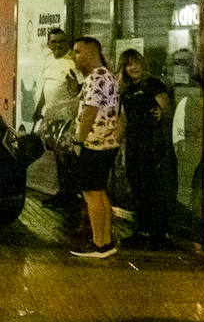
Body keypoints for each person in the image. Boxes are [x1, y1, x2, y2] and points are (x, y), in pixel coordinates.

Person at [116, 49, 176, 248]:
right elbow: (123, 119)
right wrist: (116, 142)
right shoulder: (126, 91)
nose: (133, 68)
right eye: (128, 65)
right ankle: (142, 230)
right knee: (137, 186)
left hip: (152, 143)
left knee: (153, 188)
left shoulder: (153, 85)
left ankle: (159, 234)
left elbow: (166, 111)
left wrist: (161, 113)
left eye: (136, 63)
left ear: (143, 64)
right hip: (134, 143)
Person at [68, 36, 121, 258]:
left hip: (94, 145)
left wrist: (78, 141)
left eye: (78, 52)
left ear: (91, 52)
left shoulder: (98, 78)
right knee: (100, 193)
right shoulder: (108, 77)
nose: (74, 56)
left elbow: (90, 111)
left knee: (91, 194)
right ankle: (106, 241)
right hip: (107, 144)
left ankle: (99, 244)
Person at [33, 28, 81, 210]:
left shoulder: (72, 62)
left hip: (68, 117)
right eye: (54, 42)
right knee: (58, 156)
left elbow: (78, 91)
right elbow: (47, 87)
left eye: (61, 41)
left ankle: (70, 196)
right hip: (52, 116)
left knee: (67, 158)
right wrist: (39, 109)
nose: (57, 45)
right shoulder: (48, 61)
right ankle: (62, 193)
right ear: (49, 44)